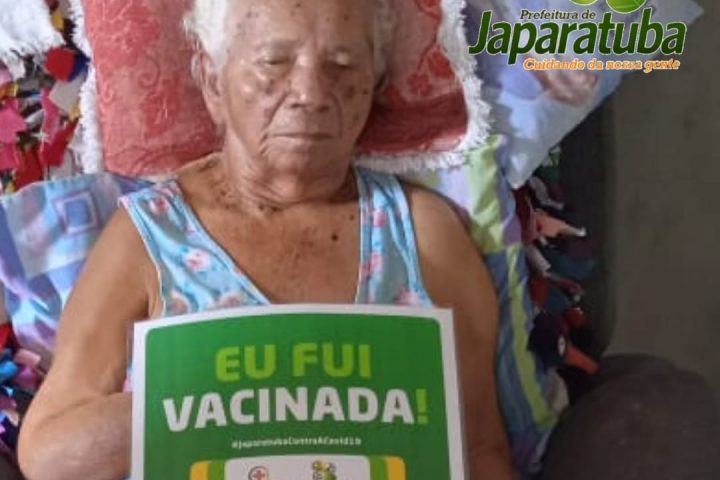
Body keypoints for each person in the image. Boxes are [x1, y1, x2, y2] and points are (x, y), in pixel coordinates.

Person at [17, 1, 513, 478]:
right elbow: (47, 455)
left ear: (374, 84)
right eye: (274, 62)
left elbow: (479, 448)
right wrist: (210, 408)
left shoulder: (422, 233)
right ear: (213, 81)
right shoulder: (150, 237)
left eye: (343, 65)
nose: (311, 93)